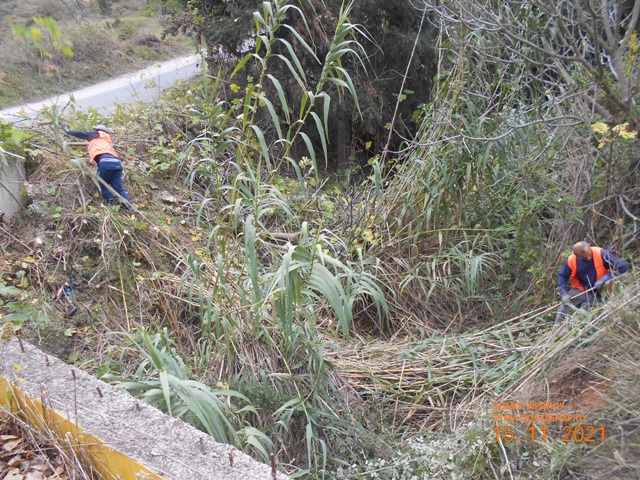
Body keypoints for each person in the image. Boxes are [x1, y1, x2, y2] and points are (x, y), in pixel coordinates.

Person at [555, 241, 628, 323]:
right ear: (576, 255)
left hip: (603, 293)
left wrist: (605, 279)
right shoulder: (572, 259)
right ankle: (556, 330)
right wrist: (564, 293)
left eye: (589, 254)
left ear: (590, 247)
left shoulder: (602, 254)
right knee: (566, 305)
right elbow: (562, 276)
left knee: (589, 314)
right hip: (582, 290)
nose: (588, 257)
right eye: (585, 257)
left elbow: (622, 267)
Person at [64, 124, 133, 210]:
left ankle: (114, 203)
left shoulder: (97, 134)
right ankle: (129, 206)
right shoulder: (107, 139)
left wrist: (68, 131)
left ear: (98, 130)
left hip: (105, 163)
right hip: (117, 163)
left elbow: (81, 133)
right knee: (118, 188)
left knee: (103, 185)